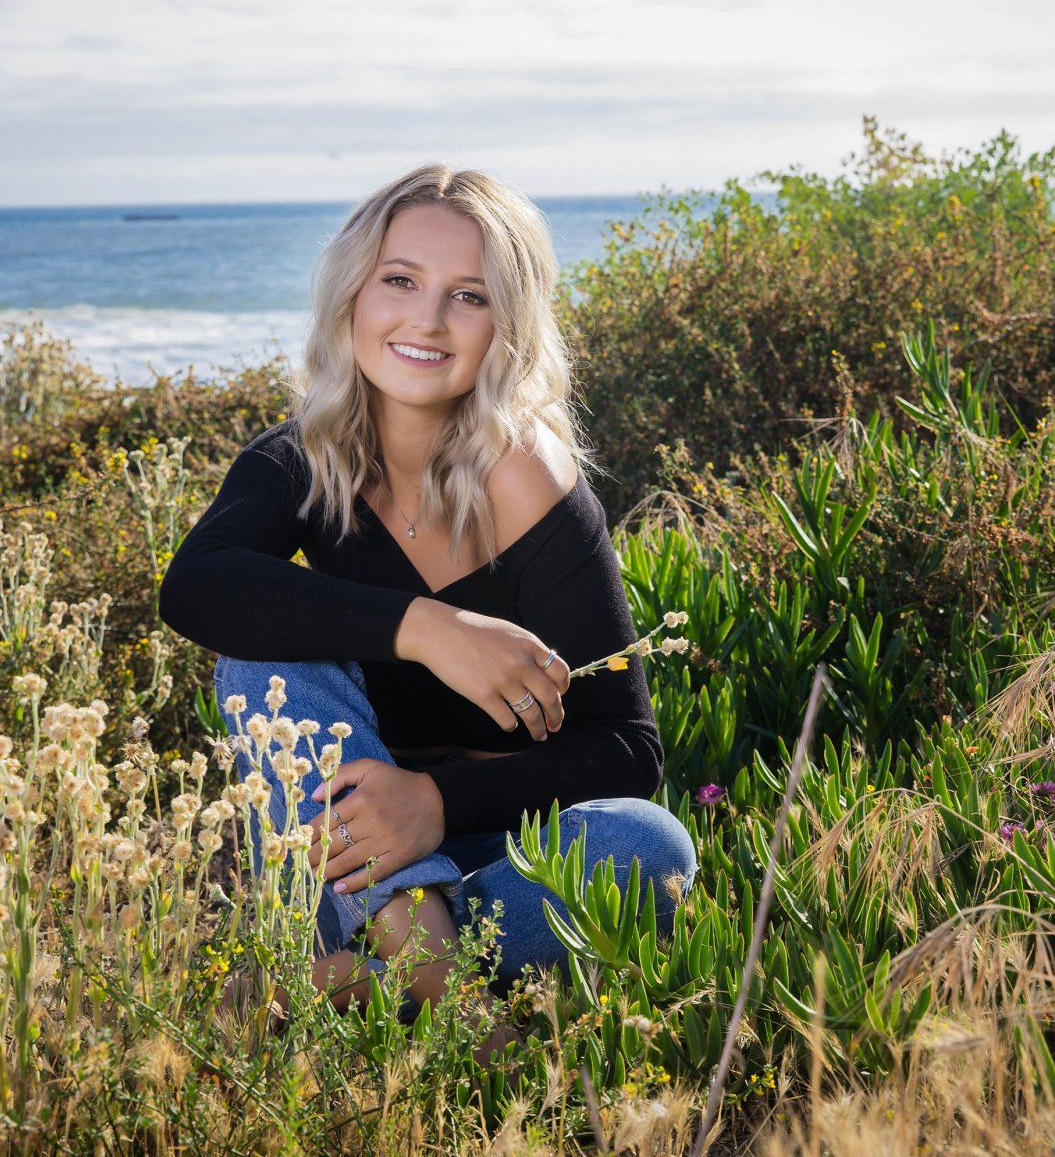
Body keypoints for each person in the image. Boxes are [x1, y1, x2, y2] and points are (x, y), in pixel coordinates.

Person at [156, 164, 697, 1026]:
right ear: (353, 294)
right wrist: (426, 628)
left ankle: (359, 984)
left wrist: (435, 806)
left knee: (648, 846)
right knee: (261, 656)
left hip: (505, 855)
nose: (427, 320)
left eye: (469, 296)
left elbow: (627, 749)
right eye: (400, 280)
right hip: (342, 867)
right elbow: (197, 587)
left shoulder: (528, 478)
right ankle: (449, 997)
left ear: (507, 325)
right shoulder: (300, 461)